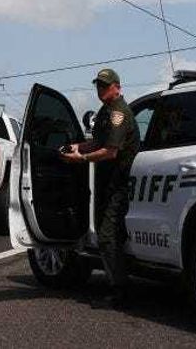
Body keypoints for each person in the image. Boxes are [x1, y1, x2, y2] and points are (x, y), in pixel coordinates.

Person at [60, 68, 139, 307]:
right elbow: (98, 142)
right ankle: (120, 281)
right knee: (112, 235)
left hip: (119, 185)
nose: (100, 89)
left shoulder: (119, 113)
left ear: (117, 86)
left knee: (107, 236)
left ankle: (120, 290)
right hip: (106, 184)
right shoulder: (105, 111)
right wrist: (77, 147)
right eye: (98, 85)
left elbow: (110, 151)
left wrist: (81, 159)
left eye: (105, 85)